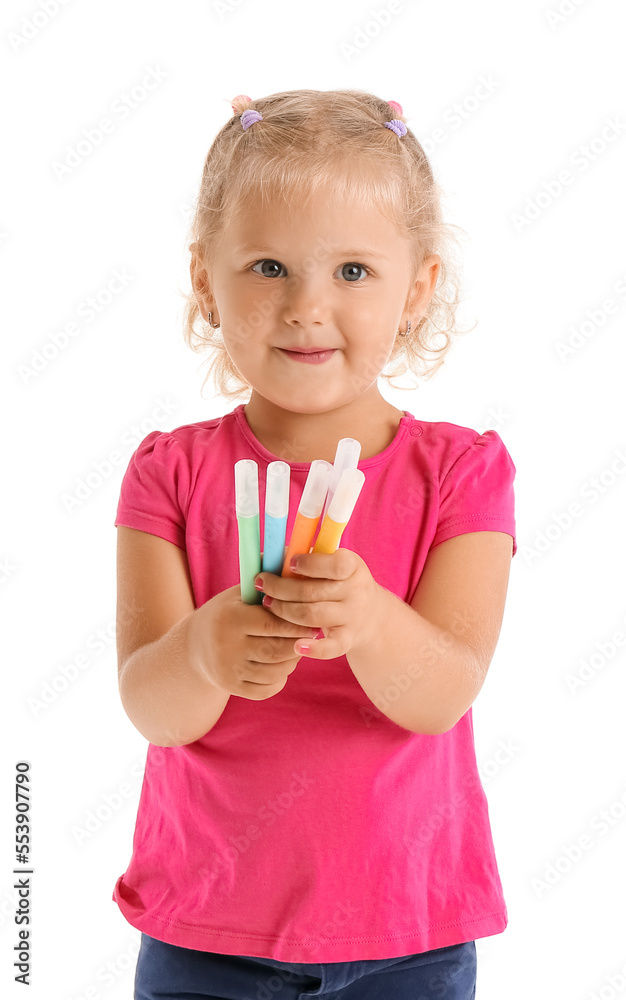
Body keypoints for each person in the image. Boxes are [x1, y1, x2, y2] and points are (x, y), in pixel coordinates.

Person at [113, 89, 517, 1000]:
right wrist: (205, 651)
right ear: (206, 282)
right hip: (203, 935)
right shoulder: (167, 475)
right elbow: (151, 704)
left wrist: (371, 621)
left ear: (417, 289)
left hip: (409, 938)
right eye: (267, 266)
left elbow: (442, 694)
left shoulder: (462, 475)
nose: (306, 308)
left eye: (353, 273)